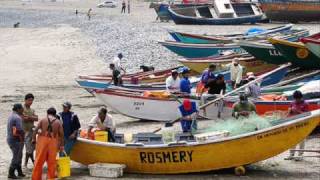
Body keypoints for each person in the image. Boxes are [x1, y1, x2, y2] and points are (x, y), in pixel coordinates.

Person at [32, 107, 64, 180]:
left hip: (42, 141)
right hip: (53, 142)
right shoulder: (58, 122)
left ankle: (36, 178)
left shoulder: (43, 120)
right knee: (51, 162)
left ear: (47, 113)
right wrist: (61, 145)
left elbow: (35, 130)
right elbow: (62, 135)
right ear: (55, 114)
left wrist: (33, 139)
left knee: (39, 161)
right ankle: (50, 178)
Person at [285, 90, 309, 161]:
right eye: (295, 99)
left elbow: (307, 115)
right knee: (292, 139)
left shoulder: (305, 104)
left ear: (301, 97)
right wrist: (289, 111)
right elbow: (288, 114)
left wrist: (298, 111)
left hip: (302, 124)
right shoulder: (292, 103)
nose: (297, 100)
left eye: (298, 99)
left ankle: (300, 155)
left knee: (302, 140)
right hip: (293, 123)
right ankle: (291, 154)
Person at [7, 103, 25, 179]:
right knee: (16, 157)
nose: (23, 109)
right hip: (16, 140)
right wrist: (23, 137)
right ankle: (11, 173)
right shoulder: (17, 118)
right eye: (21, 108)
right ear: (18, 109)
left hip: (10, 139)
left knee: (18, 156)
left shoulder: (11, 115)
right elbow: (20, 130)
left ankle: (20, 172)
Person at [22, 93, 38, 169]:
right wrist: (32, 117)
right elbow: (24, 119)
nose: (30, 102)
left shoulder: (32, 110)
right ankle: (27, 163)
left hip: (32, 131)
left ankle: (29, 162)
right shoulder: (21, 109)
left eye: (32, 100)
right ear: (25, 100)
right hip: (25, 131)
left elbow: (37, 118)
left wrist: (29, 117)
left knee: (31, 148)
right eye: (29, 100)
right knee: (29, 148)